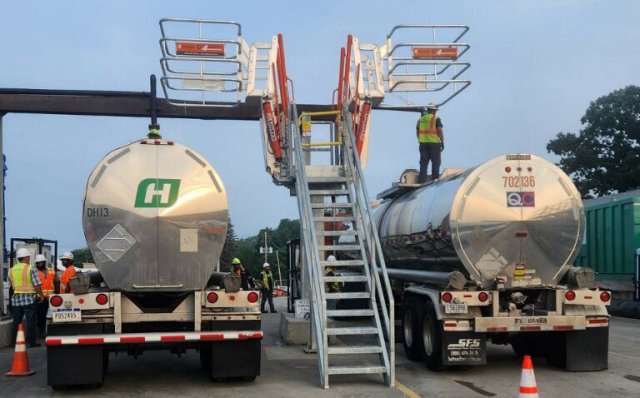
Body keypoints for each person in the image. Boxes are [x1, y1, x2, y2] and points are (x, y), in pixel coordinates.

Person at [9, 248, 43, 347]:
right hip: (29, 299)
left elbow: (12, 285)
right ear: (26, 258)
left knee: (16, 321)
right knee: (31, 321)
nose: (29, 259)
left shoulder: (11, 270)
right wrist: (40, 295)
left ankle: (14, 342)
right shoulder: (30, 268)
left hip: (16, 300)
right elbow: (36, 284)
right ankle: (31, 342)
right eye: (28, 257)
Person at [416, 103, 444, 183]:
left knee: (423, 162)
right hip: (434, 143)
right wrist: (442, 142)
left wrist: (421, 140)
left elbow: (417, 132)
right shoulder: (436, 119)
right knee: (436, 162)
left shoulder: (420, 120)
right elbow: (439, 131)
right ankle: (434, 180)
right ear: (434, 111)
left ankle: (422, 181)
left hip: (423, 144)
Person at [35, 254, 54, 338]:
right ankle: (41, 331)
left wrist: (57, 294)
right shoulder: (34, 272)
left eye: (41, 262)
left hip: (51, 297)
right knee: (41, 316)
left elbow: (56, 282)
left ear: (44, 262)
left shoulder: (51, 271)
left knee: (52, 315)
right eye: (37, 263)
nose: (39, 264)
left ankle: (53, 330)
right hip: (40, 298)